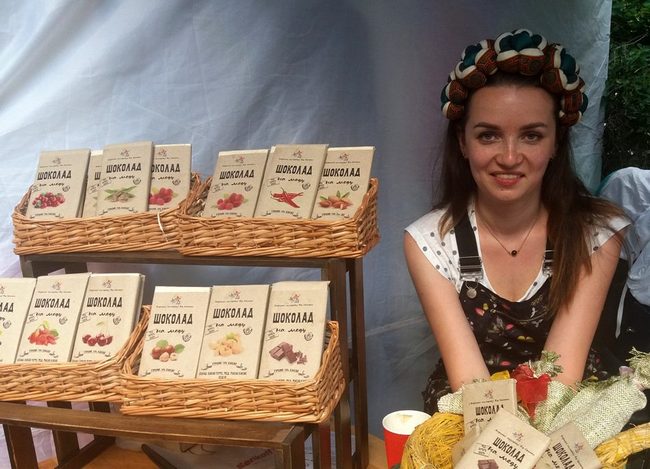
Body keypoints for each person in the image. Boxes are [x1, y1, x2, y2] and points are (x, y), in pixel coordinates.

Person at [404, 29, 629, 414]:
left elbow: (561, 378)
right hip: (471, 405)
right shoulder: (430, 240)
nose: (509, 157)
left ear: (556, 142)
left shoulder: (596, 234)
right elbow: (472, 386)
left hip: (565, 405)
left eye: (531, 136)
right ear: (463, 142)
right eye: (489, 136)